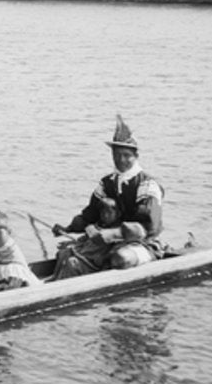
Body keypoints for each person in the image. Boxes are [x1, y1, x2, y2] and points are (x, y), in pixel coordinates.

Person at [51, 115, 165, 279]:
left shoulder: (147, 185)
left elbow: (148, 227)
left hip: (142, 243)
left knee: (121, 258)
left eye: (126, 155)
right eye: (116, 155)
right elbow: (90, 215)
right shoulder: (107, 183)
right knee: (65, 253)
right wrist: (67, 228)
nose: (121, 160)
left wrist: (112, 234)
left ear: (136, 156)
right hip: (108, 242)